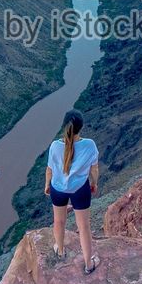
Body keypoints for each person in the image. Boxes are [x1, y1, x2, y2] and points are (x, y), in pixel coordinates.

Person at [44, 109, 100, 273]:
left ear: (64, 126)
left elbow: (49, 169)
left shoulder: (55, 146)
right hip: (80, 190)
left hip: (58, 189)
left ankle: (60, 250)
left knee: (59, 221)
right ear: (80, 128)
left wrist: (47, 184)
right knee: (84, 227)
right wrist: (94, 183)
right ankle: (89, 265)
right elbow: (94, 169)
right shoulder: (89, 145)